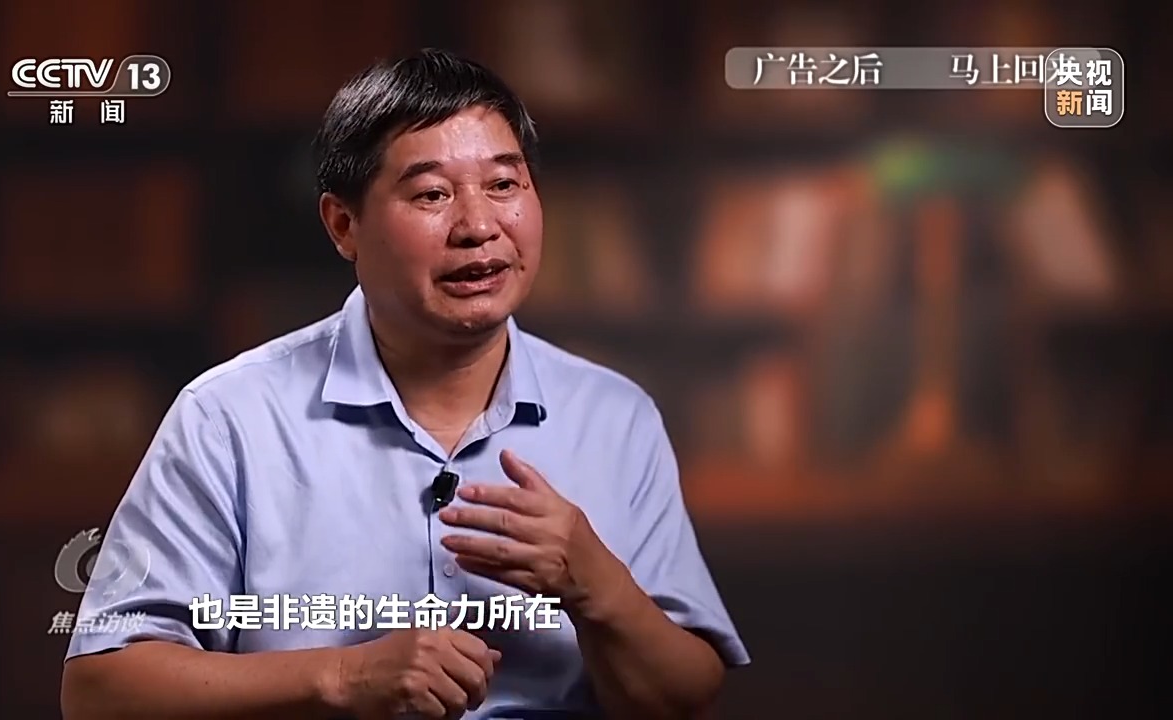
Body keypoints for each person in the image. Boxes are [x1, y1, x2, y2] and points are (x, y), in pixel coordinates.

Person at [60, 48, 749, 720]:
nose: (478, 227)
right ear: (344, 225)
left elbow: (685, 698)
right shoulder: (229, 418)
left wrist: (597, 586)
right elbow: (100, 691)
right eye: (432, 194)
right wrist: (344, 677)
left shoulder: (615, 416)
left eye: (504, 185)